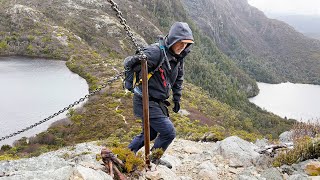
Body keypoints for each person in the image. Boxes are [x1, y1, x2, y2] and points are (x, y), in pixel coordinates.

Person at [127, 22, 194, 168]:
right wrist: (129, 83)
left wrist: (177, 99)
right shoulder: (155, 52)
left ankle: (127, 155)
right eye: (180, 43)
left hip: (158, 101)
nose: (182, 47)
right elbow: (130, 63)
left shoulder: (178, 57)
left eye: (186, 44)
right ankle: (153, 159)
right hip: (145, 100)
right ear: (173, 40)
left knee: (150, 134)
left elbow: (178, 79)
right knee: (168, 132)